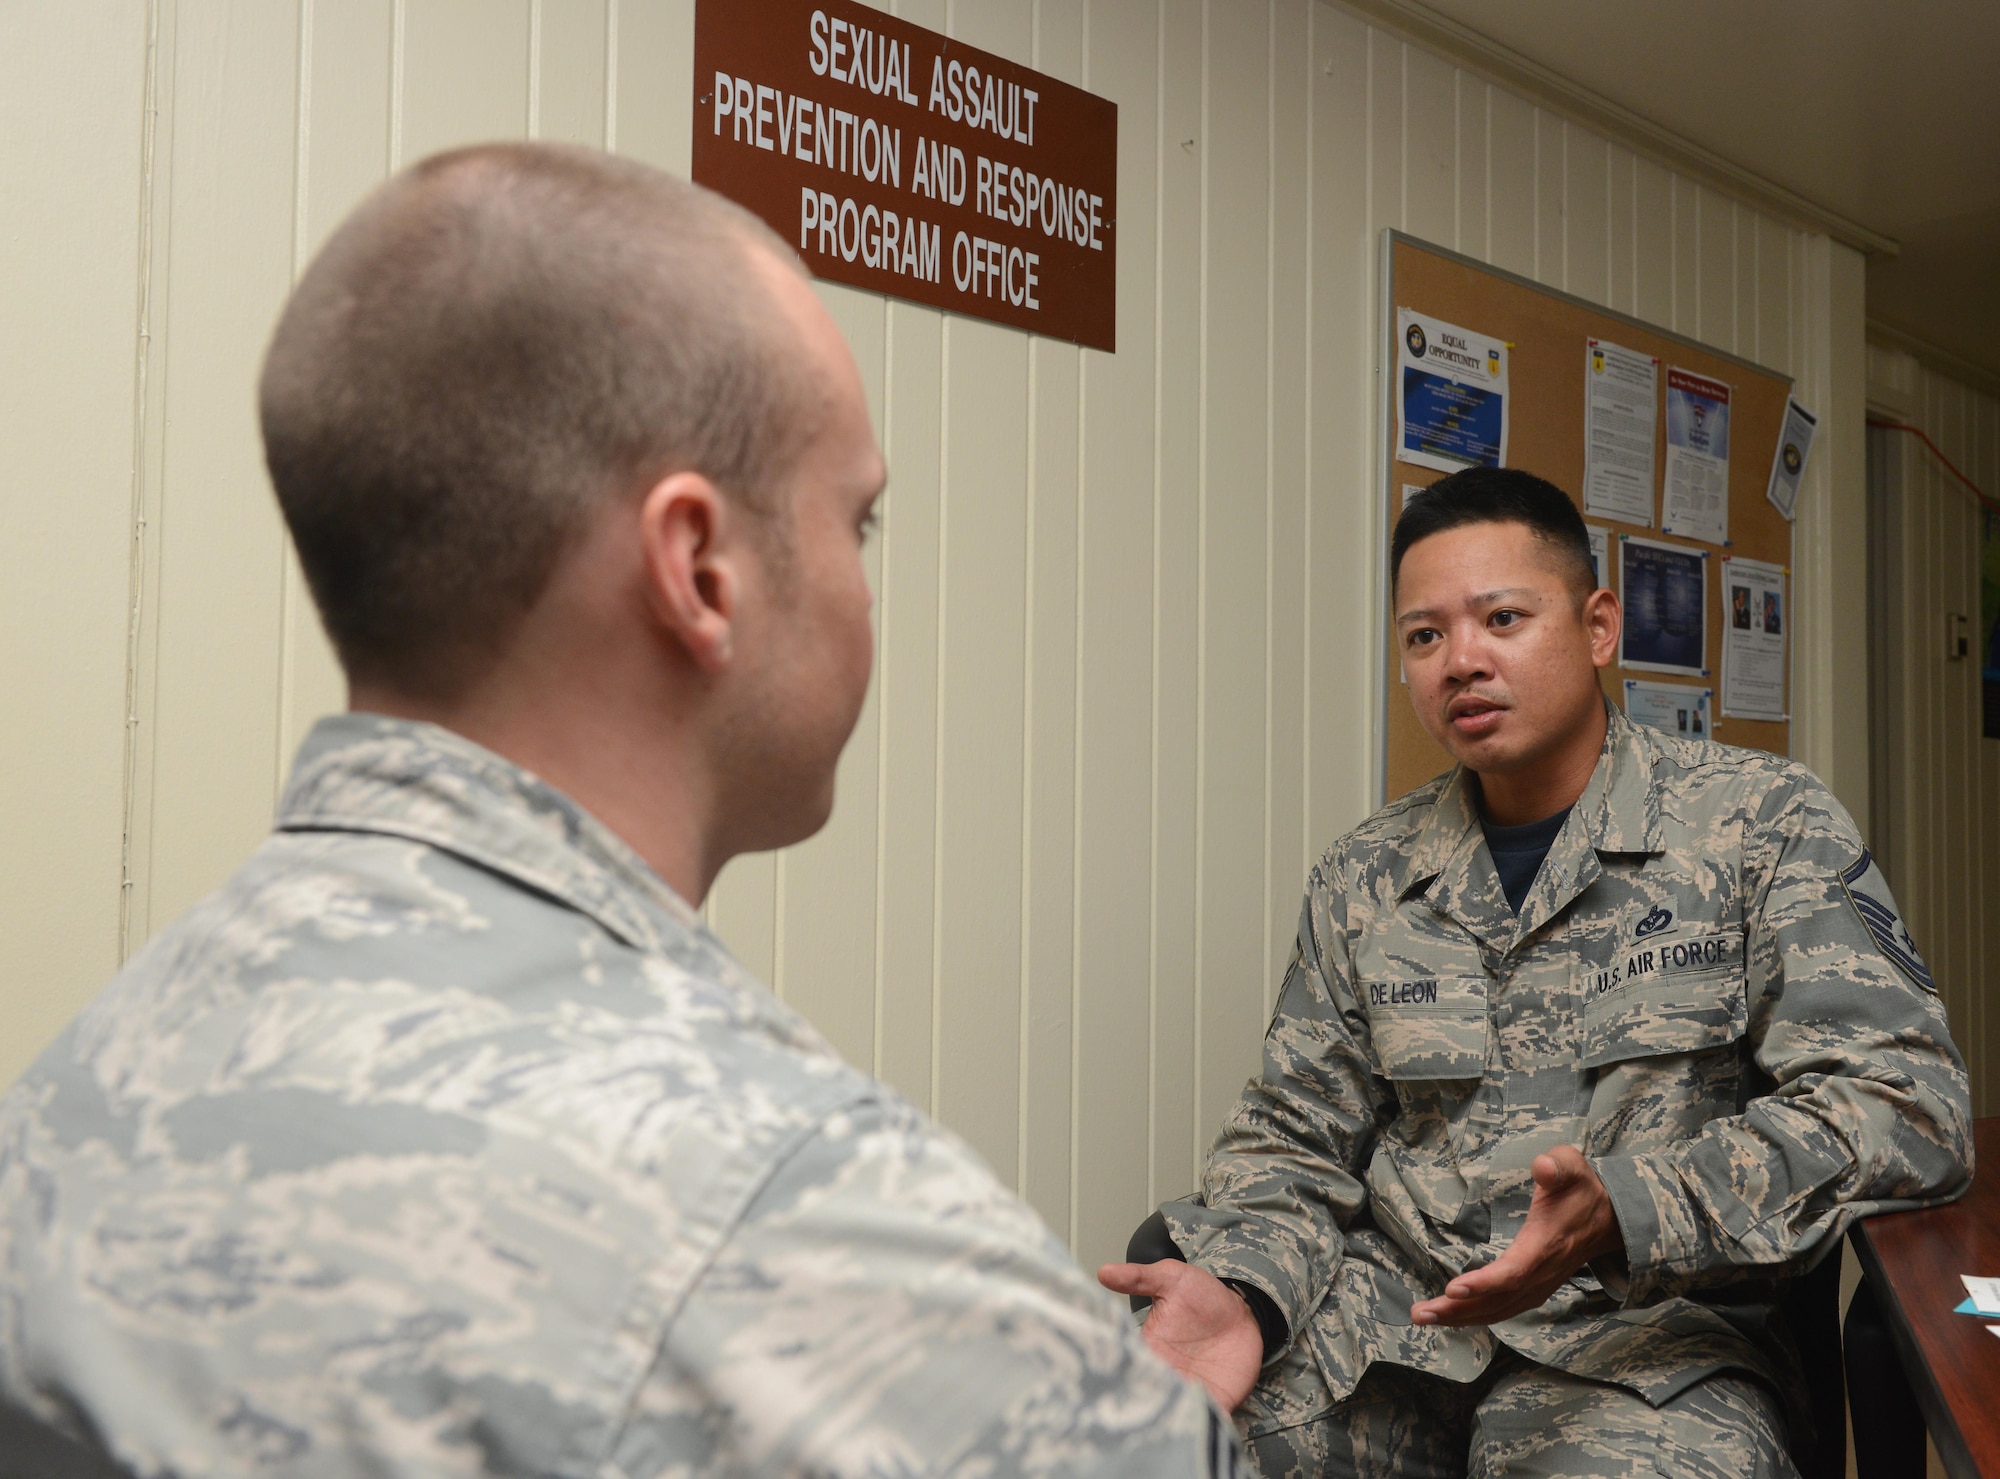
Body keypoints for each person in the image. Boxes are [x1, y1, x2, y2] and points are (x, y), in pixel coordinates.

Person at [0, 144, 1239, 1478]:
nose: (868, 591)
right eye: (856, 525)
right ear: (700, 566)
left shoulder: (81, 1083)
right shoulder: (799, 1210)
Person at [1100, 467, 1970, 1478]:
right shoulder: (1365, 876)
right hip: (1390, 1333)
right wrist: (1242, 1291)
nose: (1459, 661)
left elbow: (1902, 1104)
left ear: (1597, 626)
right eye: (1423, 636)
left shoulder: (1758, 825)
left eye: (1500, 618)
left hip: (1643, 1348)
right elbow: (1291, 1138)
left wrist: (1632, 1206)